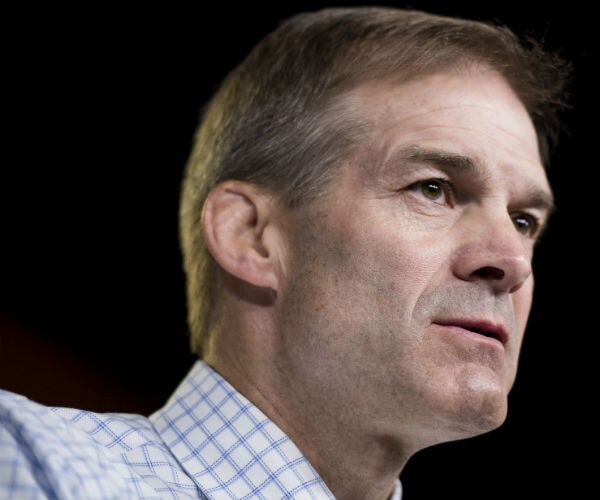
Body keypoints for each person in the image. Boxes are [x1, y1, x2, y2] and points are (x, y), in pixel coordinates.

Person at [0, 6, 569, 500]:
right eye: (433, 189)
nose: (512, 261)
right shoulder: (33, 463)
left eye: (524, 221)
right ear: (250, 235)